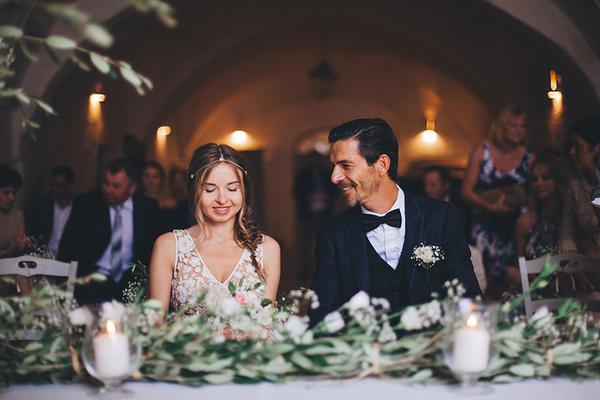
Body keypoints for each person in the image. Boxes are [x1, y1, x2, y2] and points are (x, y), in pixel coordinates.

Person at [311, 118, 481, 322]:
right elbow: (323, 314)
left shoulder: (440, 217)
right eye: (334, 166)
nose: (334, 177)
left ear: (382, 164)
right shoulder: (332, 233)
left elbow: (467, 295)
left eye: (345, 165)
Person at [149, 144, 281, 317]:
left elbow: (267, 324)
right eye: (209, 189)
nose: (222, 199)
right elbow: (155, 325)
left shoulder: (267, 249)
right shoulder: (169, 246)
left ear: (244, 191)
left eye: (232, 189)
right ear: (195, 190)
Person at [58, 159, 159, 304]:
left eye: (116, 186)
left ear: (132, 188)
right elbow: (67, 248)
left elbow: (152, 250)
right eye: (106, 183)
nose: (108, 190)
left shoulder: (147, 208)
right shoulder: (86, 204)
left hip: (131, 282)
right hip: (93, 281)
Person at [461, 106, 532, 298]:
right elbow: (466, 192)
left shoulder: (529, 158)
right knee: (484, 283)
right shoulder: (481, 151)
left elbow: (534, 196)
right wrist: (490, 206)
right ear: (501, 127)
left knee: (513, 286)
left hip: (513, 230)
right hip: (484, 228)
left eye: (522, 126)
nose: (519, 130)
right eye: (513, 125)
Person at [422, 165, 487, 293]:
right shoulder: (421, 209)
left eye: (433, 185)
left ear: (446, 185)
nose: (428, 190)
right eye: (426, 185)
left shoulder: (461, 208)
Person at [560, 117, 600, 290]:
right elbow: (567, 234)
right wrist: (575, 267)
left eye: (577, 146)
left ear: (596, 148)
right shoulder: (574, 187)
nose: (571, 152)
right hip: (589, 278)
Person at [26, 165, 75, 255]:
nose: (54, 189)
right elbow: (32, 234)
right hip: (44, 257)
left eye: (60, 185)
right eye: (52, 184)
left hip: (69, 258)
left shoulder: (79, 209)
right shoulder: (42, 206)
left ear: (70, 186)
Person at [0, 164, 33, 294]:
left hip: (12, 274)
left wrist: (22, 244)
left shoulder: (17, 215)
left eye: (14, 193)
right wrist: (10, 246)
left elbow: (20, 254)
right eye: (6, 192)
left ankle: (32, 310)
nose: (12, 198)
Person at [141, 160, 178, 233]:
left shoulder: (171, 206)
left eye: (155, 177)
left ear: (162, 180)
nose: (151, 181)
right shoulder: (135, 205)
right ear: (141, 179)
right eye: (147, 176)